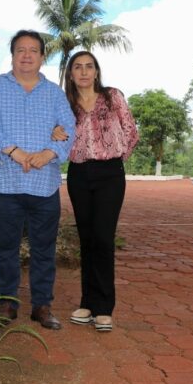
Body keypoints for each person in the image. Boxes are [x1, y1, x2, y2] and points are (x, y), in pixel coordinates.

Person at [0, 30, 77, 330]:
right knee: (6, 247)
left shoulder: (55, 94)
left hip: (43, 185)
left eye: (34, 50)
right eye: (21, 50)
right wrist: (16, 152)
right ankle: (7, 303)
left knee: (44, 248)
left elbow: (68, 126)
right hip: (4, 183)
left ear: (43, 57)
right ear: (12, 55)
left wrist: (48, 153)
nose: (27, 55)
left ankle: (42, 306)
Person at [53, 51, 138, 332]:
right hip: (79, 174)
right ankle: (87, 303)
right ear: (71, 74)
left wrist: (113, 156)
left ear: (97, 72)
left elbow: (131, 132)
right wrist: (54, 134)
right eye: (78, 67)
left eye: (89, 66)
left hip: (110, 174)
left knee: (103, 238)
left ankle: (104, 308)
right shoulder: (66, 104)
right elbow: (57, 134)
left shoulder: (113, 97)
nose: (84, 72)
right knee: (87, 239)